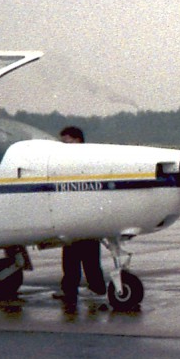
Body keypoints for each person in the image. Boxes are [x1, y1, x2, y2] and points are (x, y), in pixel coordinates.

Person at [54, 126, 107, 308]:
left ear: (77, 140)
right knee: (78, 255)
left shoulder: (80, 161)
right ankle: (85, 287)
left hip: (81, 215)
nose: (64, 145)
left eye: (67, 141)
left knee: (77, 256)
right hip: (78, 215)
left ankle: (76, 289)